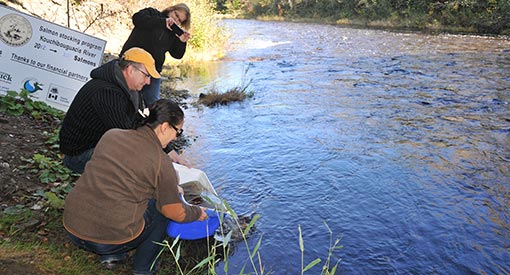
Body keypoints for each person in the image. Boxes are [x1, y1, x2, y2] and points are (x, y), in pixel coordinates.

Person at [63, 99, 208, 275]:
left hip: (73, 227)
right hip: (107, 240)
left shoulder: (111, 135)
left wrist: (164, 186)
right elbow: (175, 212)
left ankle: (114, 256)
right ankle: (143, 270)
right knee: (161, 211)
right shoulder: (161, 162)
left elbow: (125, 176)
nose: (176, 137)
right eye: (178, 131)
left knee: (118, 195)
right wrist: (197, 212)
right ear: (164, 127)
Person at [59, 47, 159, 174]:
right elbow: (127, 136)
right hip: (77, 156)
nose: (148, 82)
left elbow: (139, 120)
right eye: (146, 75)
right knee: (134, 160)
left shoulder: (130, 89)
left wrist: (165, 147)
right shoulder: (107, 92)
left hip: (95, 144)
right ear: (130, 70)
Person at [120, 3, 191, 106]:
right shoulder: (152, 13)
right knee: (127, 99)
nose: (176, 20)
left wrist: (182, 41)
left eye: (180, 20)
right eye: (176, 15)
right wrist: (162, 22)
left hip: (153, 71)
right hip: (132, 64)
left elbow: (177, 55)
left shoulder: (173, 33)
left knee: (153, 104)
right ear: (171, 9)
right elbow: (137, 19)